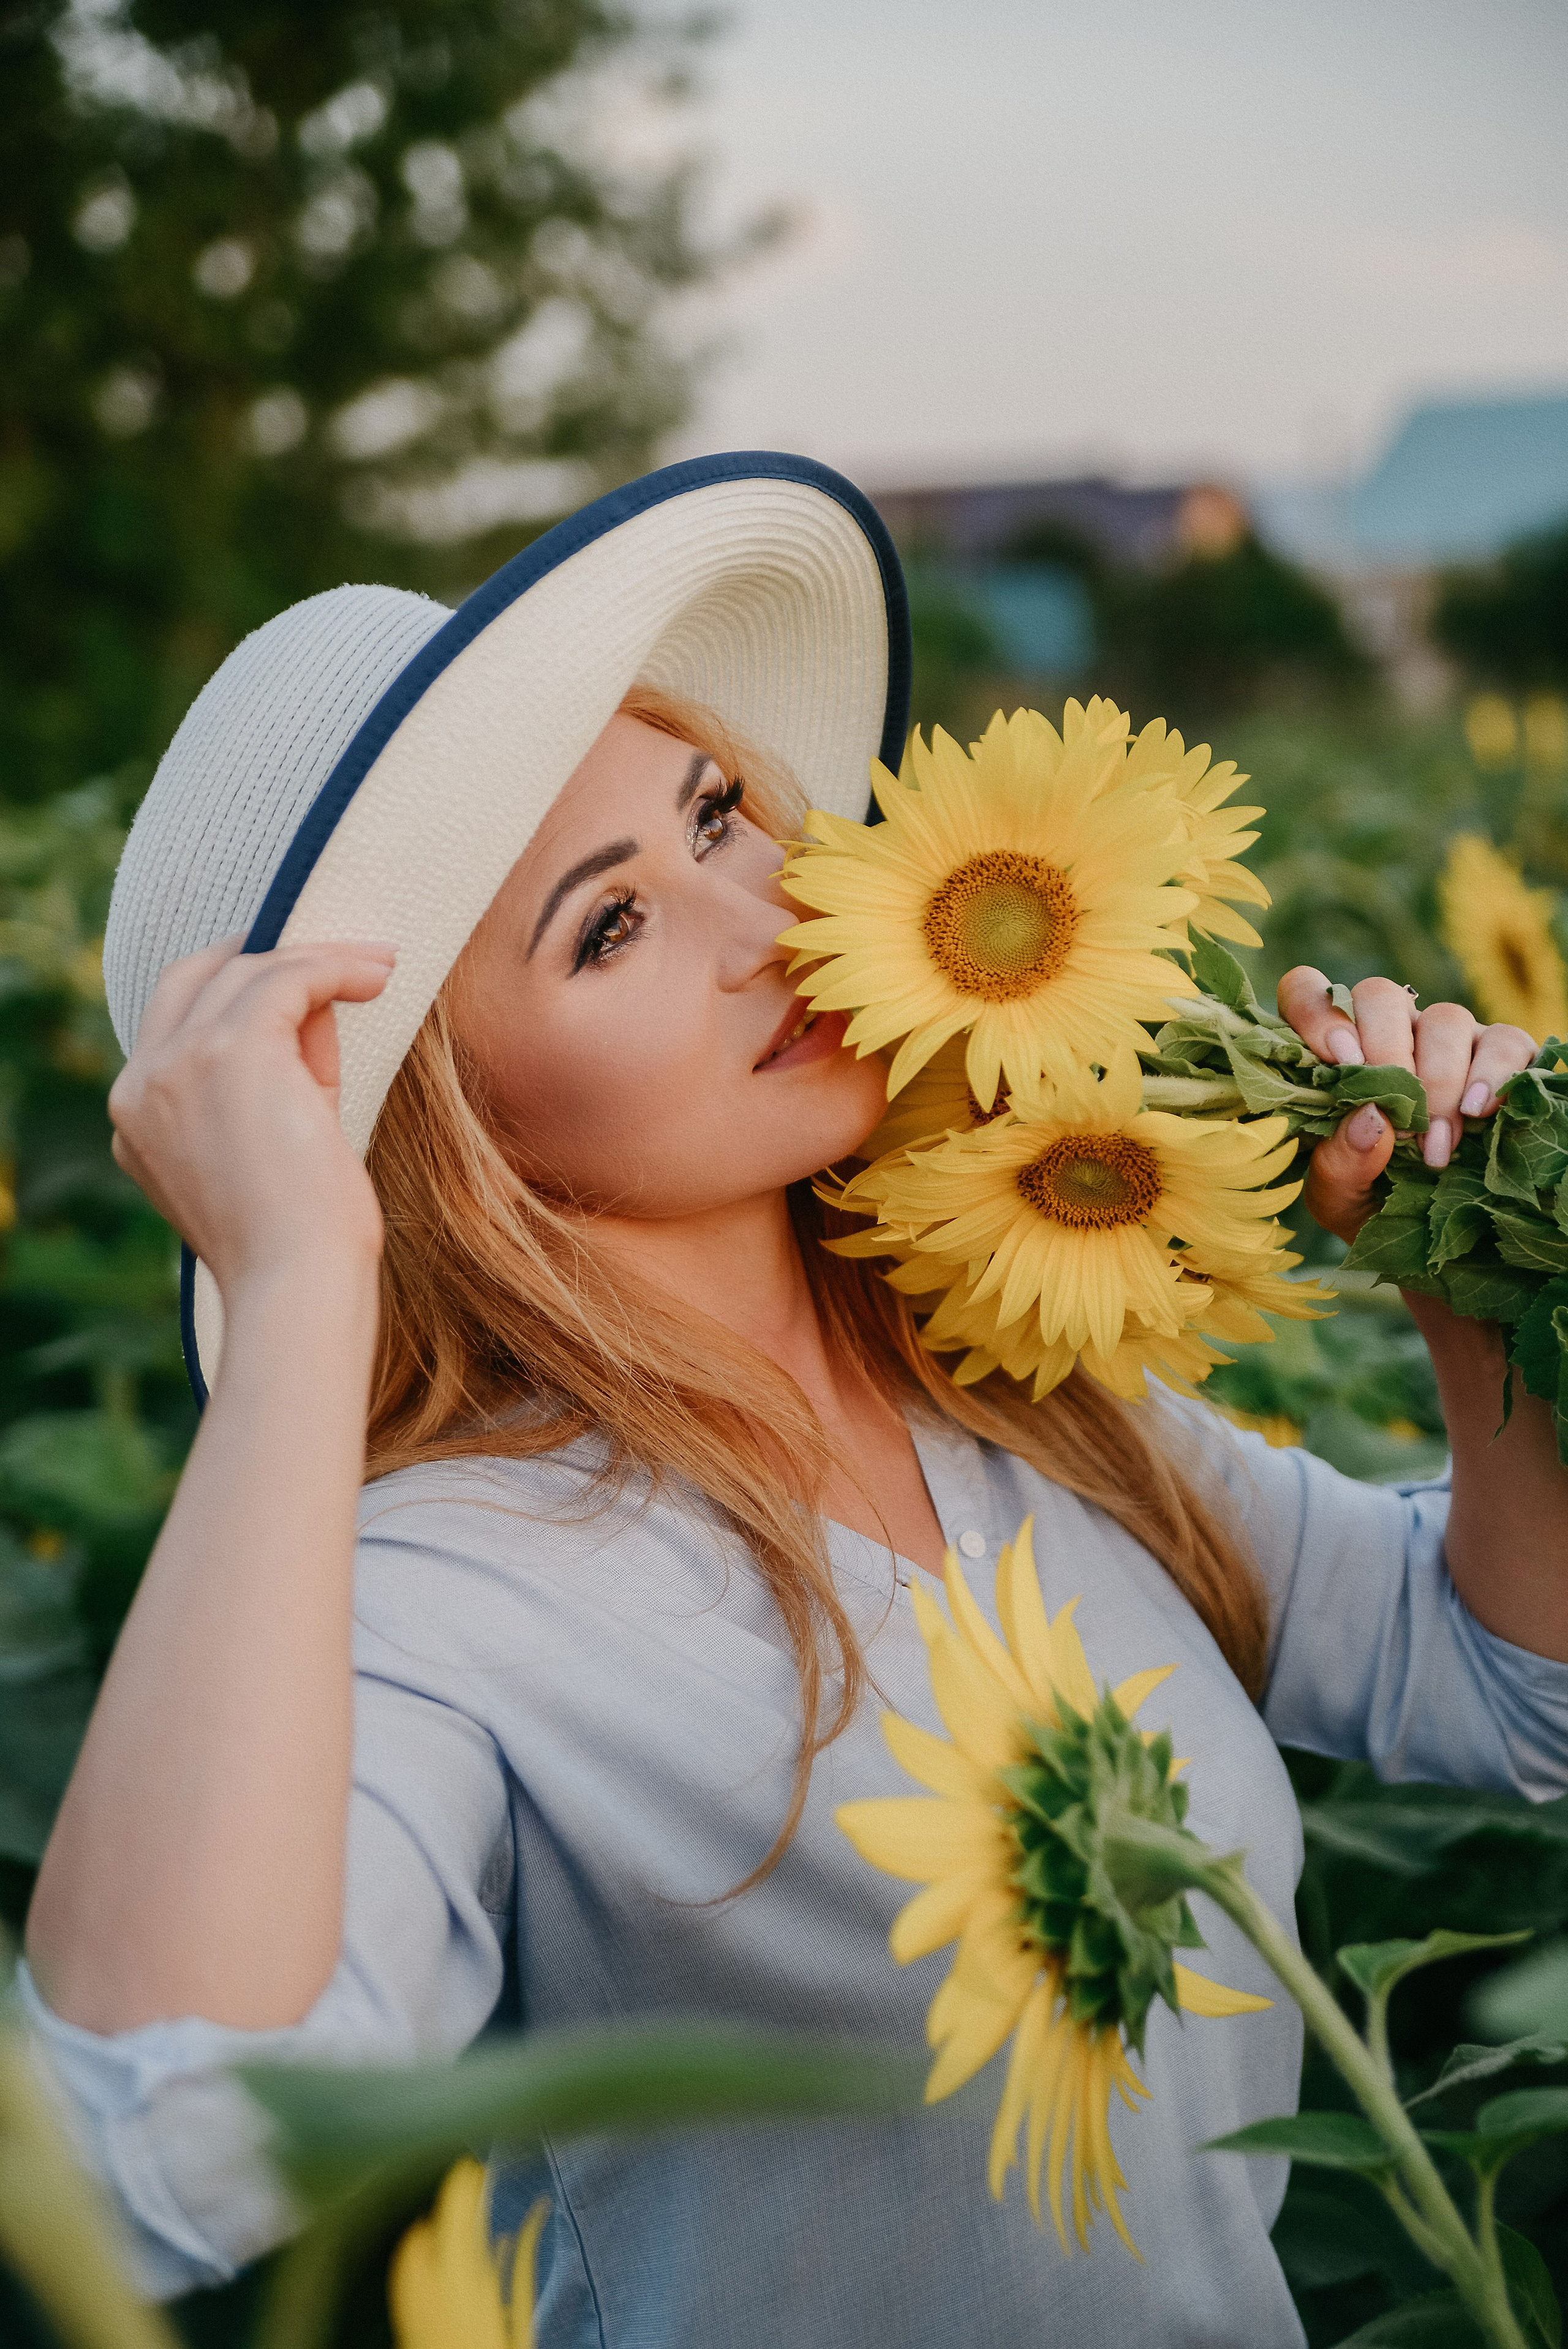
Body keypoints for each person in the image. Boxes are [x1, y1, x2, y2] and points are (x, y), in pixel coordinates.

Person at [20, 453, 1568, 2348]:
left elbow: (1506, 1695)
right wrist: (296, 1295)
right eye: (608, 925)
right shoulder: (451, 1581)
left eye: (717, 814)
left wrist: (1467, 1297)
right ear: (448, 1127)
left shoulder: (999, 1367)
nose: (764, 916)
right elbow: (159, 2145)